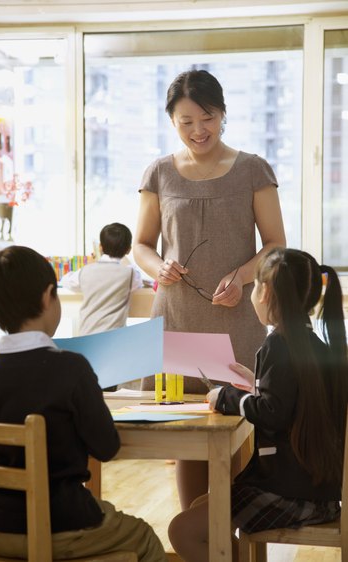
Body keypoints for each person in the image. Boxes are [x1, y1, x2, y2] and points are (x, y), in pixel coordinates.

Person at [133, 68, 286, 509]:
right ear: (172, 122)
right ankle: (196, 536)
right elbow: (141, 246)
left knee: (238, 422)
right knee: (186, 430)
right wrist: (159, 266)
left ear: (222, 114)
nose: (198, 130)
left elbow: (276, 245)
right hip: (176, 316)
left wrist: (240, 278)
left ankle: (234, 535)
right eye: (186, 122)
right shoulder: (159, 172)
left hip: (237, 316)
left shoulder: (253, 169)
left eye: (208, 118)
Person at [0, 245, 167, 562]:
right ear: (49, 296)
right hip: (62, 525)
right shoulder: (71, 368)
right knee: (143, 537)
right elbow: (106, 448)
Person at [168, 247, 348, 562]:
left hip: (288, 493)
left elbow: (273, 413)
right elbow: (297, 398)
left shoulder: (278, 343)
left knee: (182, 530)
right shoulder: (316, 346)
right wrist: (255, 383)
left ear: (264, 293)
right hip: (320, 493)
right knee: (201, 507)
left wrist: (224, 397)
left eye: (254, 288)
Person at [61, 222, 142, 336]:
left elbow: (65, 281)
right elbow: (138, 283)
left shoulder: (86, 271)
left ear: (100, 247)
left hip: (87, 336)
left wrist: (90, 265)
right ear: (128, 250)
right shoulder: (130, 273)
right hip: (114, 338)